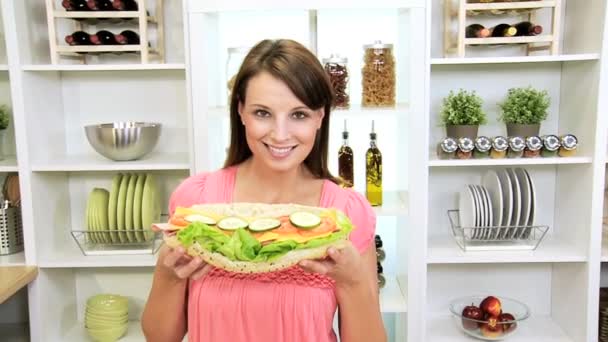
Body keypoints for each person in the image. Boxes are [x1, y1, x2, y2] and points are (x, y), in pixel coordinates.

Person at [142, 39, 386, 342]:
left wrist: (353, 283)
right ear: (241, 111)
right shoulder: (195, 199)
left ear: (320, 117)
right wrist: (167, 276)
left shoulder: (347, 212)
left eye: (299, 114)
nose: (280, 135)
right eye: (262, 113)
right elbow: (159, 337)